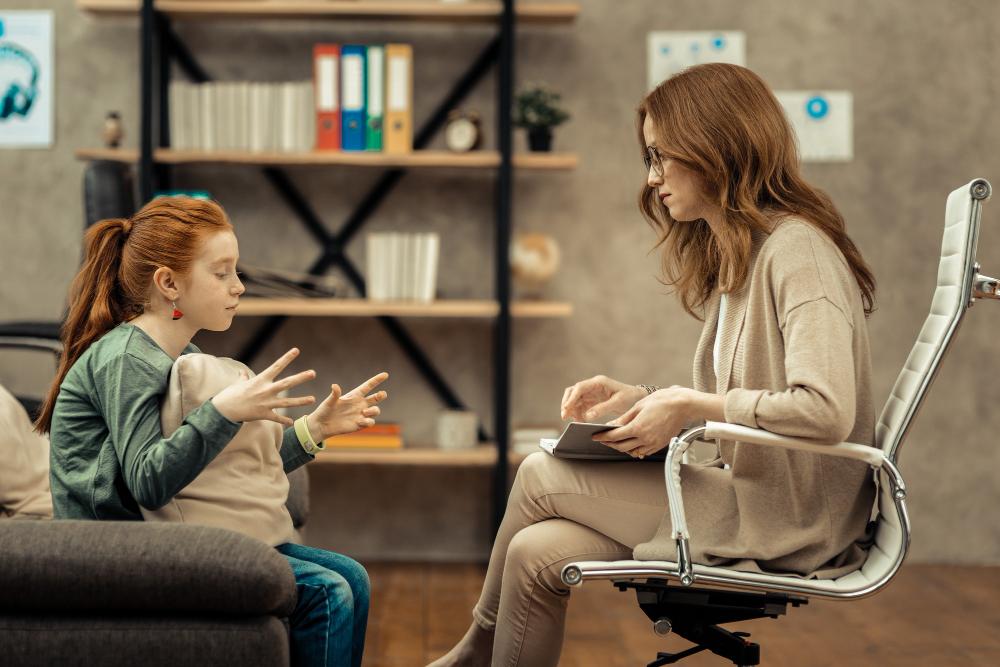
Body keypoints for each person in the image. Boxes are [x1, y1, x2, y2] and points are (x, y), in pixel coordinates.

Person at [429, 63, 879, 667]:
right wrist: (642, 396)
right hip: (749, 498)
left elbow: (825, 411)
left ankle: (472, 653)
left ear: (716, 145)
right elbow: (745, 402)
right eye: (650, 158)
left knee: (539, 473)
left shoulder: (798, 251)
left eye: (664, 156)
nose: (653, 178)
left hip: (789, 520)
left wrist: (688, 407)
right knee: (534, 552)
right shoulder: (745, 257)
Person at [34, 196, 387, 667]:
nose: (239, 287)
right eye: (222, 273)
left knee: (353, 579)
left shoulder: (183, 354)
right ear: (168, 283)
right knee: (327, 594)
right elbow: (148, 481)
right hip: (113, 545)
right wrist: (223, 411)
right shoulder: (127, 359)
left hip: (157, 532)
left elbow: (219, 462)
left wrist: (314, 429)